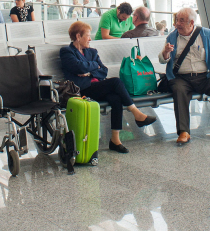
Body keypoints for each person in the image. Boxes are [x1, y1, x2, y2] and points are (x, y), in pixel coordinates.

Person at [60, 21, 156, 153]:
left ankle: (115, 140)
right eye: (88, 36)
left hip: (97, 87)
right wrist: (95, 66)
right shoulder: (66, 52)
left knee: (116, 99)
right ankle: (136, 112)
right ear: (78, 36)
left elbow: (104, 71)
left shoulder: (92, 52)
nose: (90, 39)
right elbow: (79, 67)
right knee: (116, 82)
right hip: (82, 90)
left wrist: (89, 72)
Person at [159, 8, 210, 145]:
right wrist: (166, 52)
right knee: (179, 91)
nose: (177, 24)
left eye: (182, 21)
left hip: (204, 76)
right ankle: (184, 131)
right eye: (177, 20)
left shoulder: (207, 35)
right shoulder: (172, 37)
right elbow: (162, 60)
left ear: (191, 22)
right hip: (181, 78)